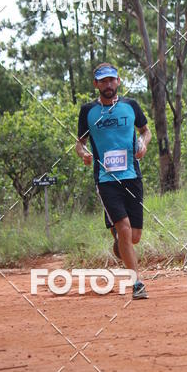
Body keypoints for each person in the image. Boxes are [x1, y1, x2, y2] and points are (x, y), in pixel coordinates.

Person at [76, 63, 152, 300]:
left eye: (111, 80)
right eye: (103, 81)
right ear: (96, 84)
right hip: (106, 180)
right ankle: (136, 282)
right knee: (125, 228)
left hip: (132, 176)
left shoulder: (131, 106)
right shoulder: (88, 111)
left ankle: (121, 243)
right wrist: (84, 154)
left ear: (118, 81)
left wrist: (143, 144)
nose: (108, 85)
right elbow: (79, 143)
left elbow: (146, 131)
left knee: (135, 236)